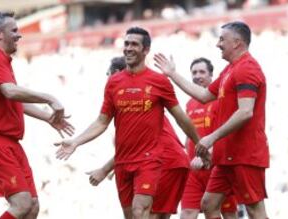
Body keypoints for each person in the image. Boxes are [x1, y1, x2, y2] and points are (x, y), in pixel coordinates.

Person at [54, 27, 199, 219]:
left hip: (149, 160)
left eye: (134, 44)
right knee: (132, 216)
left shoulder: (159, 82)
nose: (128, 48)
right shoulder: (114, 83)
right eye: (126, 44)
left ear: (146, 50)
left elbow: (180, 116)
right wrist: (76, 141)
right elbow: (101, 121)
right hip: (123, 162)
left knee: (142, 212)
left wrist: (200, 143)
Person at [154, 21, 269, 219]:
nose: (218, 44)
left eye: (222, 39)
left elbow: (245, 112)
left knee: (254, 210)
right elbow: (205, 95)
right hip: (226, 156)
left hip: (246, 153)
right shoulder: (229, 70)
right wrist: (172, 74)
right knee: (208, 204)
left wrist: (211, 138)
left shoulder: (247, 68)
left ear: (237, 43)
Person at [0, 12, 74, 219]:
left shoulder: (1, 61)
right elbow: (10, 92)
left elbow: (13, 100)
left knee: (32, 206)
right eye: (15, 31)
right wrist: (49, 98)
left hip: (8, 143)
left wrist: (48, 117)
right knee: (22, 204)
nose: (19, 35)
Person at [87, 56, 190, 219]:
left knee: (144, 214)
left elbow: (137, 146)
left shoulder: (135, 103)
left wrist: (104, 169)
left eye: (108, 74)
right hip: (172, 161)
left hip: (164, 161)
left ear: (116, 73)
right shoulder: (138, 103)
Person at [180, 58, 238, 219]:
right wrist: (187, 158)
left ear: (211, 75)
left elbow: (227, 131)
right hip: (194, 169)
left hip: (217, 166)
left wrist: (208, 154)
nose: (197, 76)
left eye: (202, 72)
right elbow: (188, 135)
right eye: (194, 72)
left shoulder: (220, 100)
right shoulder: (190, 103)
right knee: (186, 213)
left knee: (228, 213)